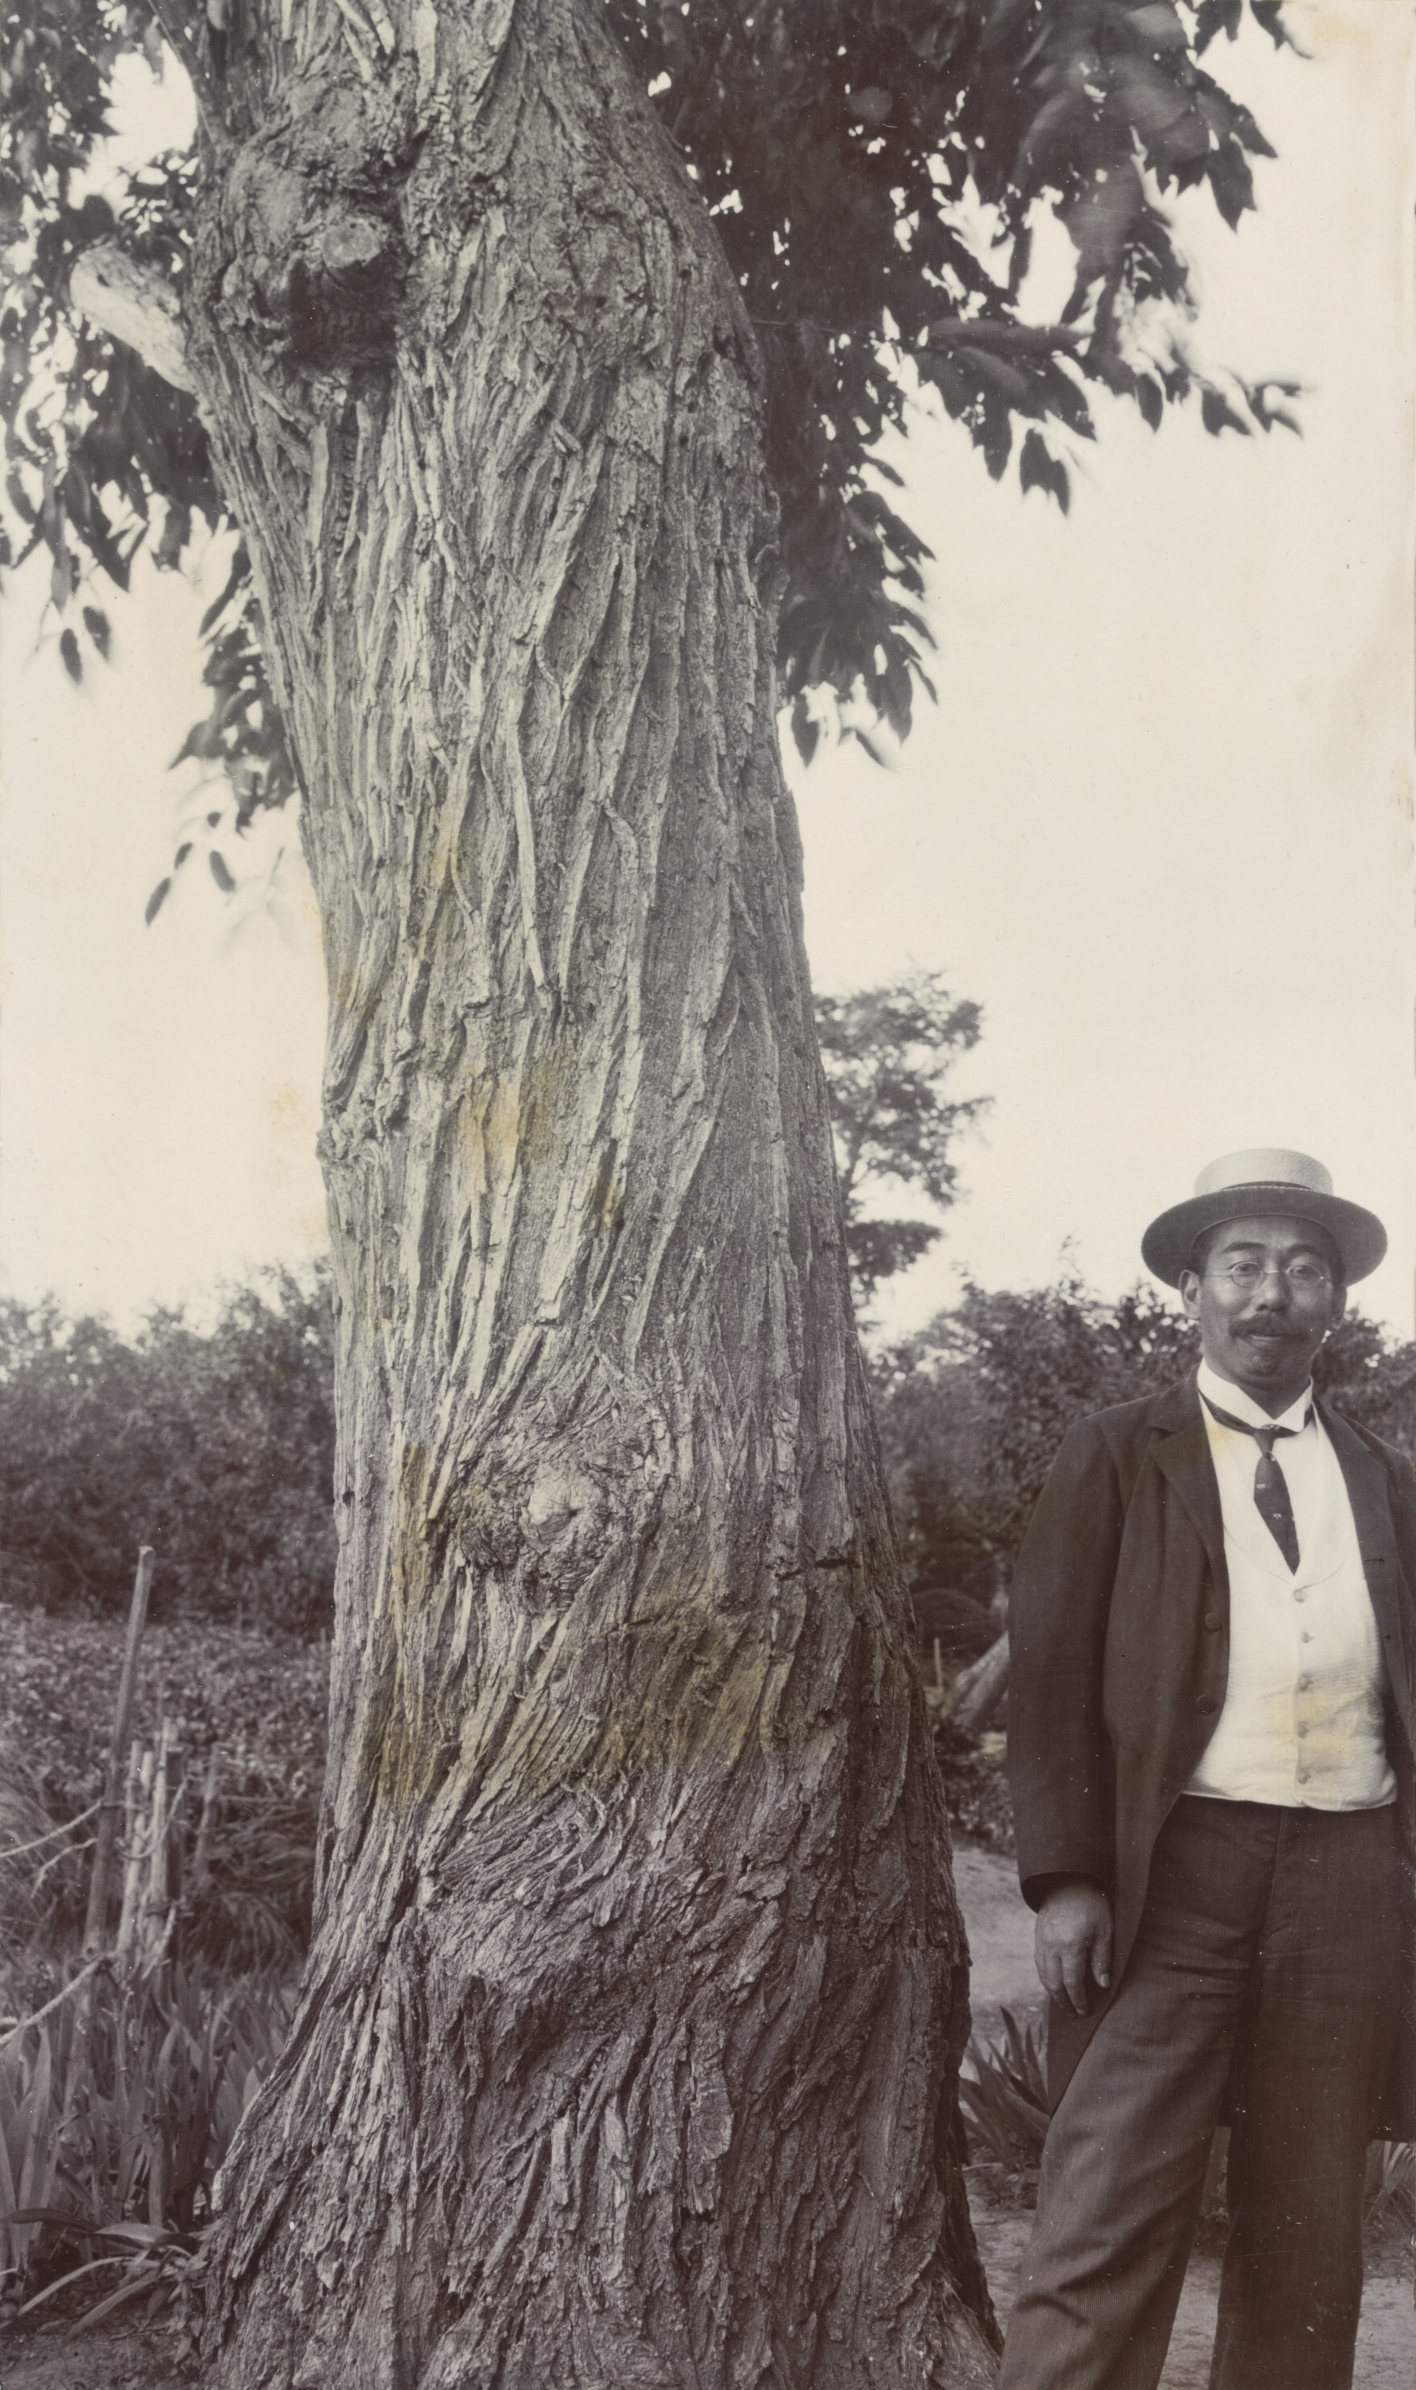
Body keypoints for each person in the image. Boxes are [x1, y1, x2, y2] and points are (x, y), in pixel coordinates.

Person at [997, 1149, 1415, 2390]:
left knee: (1307, 2233)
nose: (1270, 1293)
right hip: (1175, 1873)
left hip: (1348, 1878)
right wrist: (1068, 1875)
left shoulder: (1386, 1479)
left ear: (1334, 1300)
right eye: (1243, 1264)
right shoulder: (1120, 1453)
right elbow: (1055, 1673)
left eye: (1302, 1268)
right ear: (1194, 1286)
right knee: (1104, 2208)